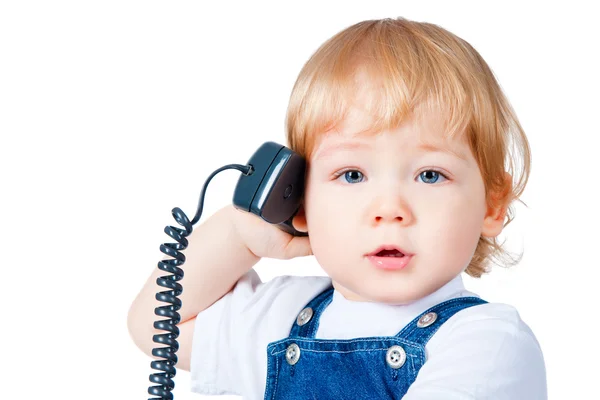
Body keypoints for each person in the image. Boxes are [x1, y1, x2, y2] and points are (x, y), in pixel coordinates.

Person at [128, 16, 547, 399]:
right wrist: (240, 235)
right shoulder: (283, 318)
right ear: (298, 198)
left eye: (430, 175)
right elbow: (156, 327)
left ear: (491, 205)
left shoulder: (488, 344)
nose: (389, 209)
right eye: (351, 175)